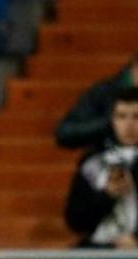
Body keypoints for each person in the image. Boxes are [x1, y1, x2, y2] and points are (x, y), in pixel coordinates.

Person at [66, 88, 138, 248]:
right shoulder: (92, 162)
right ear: (112, 120)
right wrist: (106, 196)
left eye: (136, 117)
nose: (129, 125)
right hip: (99, 250)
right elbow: (75, 221)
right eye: (122, 116)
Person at [57, 53, 138, 150]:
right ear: (134, 68)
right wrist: (111, 123)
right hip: (106, 157)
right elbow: (65, 133)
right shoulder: (105, 93)